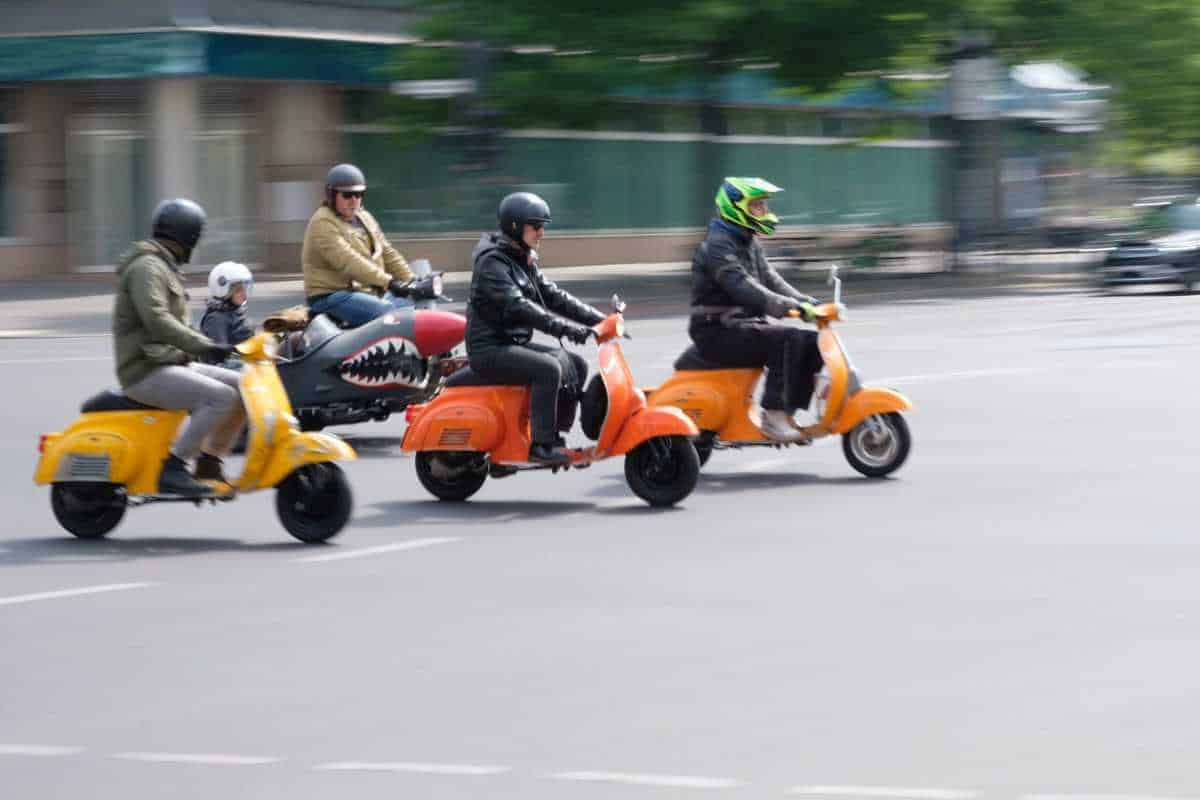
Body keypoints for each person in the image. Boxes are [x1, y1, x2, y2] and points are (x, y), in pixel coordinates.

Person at [113, 198, 245, 495]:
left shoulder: (163, 266)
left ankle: (209, 462)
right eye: (196, 238)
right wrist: (205, 345)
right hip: (144, 371)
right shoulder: (147, 268)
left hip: (170, 363)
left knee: (244, 386)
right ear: (186, 237)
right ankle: (173, 467)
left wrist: (215, 347)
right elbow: (157, 320)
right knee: (220, 396)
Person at [466, 192, 605, 465]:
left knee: (575, 364)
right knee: (548, 368)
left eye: (543, 226)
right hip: (490, 349)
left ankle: (554, 437)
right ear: (515, 226)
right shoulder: (492, 264)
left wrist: (599, 319)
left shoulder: (519, 257)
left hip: (511, 343)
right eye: (536, 226)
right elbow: (519, 306)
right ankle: (541, 446)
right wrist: (565, 329)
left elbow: (553, 296)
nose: (542, 232)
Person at [688, 177, 824, 442]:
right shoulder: (718, 245)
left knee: (812, 341)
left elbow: (771, 278)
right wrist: (790, 307)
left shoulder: (748, 241)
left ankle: (785, 412)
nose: (763, 211)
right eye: (757, 205)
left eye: (763, 205)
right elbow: (742, 285)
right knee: (788, 340)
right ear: (735, 207)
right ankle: (772, 417)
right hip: (716, 330)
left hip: (742, 326)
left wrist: (808, 301)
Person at [302, 163, 415, 327]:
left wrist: (411, 280)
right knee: (387, 313)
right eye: (347, 195)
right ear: (332, 195)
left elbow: (387, 252)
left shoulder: (364, 217)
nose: (354, 200)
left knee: (409, 307)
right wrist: (389, 282)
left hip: (365, 292)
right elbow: (349, 261)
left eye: (359, 194)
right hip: (331, 295)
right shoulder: (323, 222)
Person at [200, 260, 255, 369]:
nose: (244, 294)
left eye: (245, 289)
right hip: (234, 370)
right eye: (239, 290)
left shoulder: (235, 311)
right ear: (224, 291)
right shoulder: (216, 318)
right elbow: (220, 356)